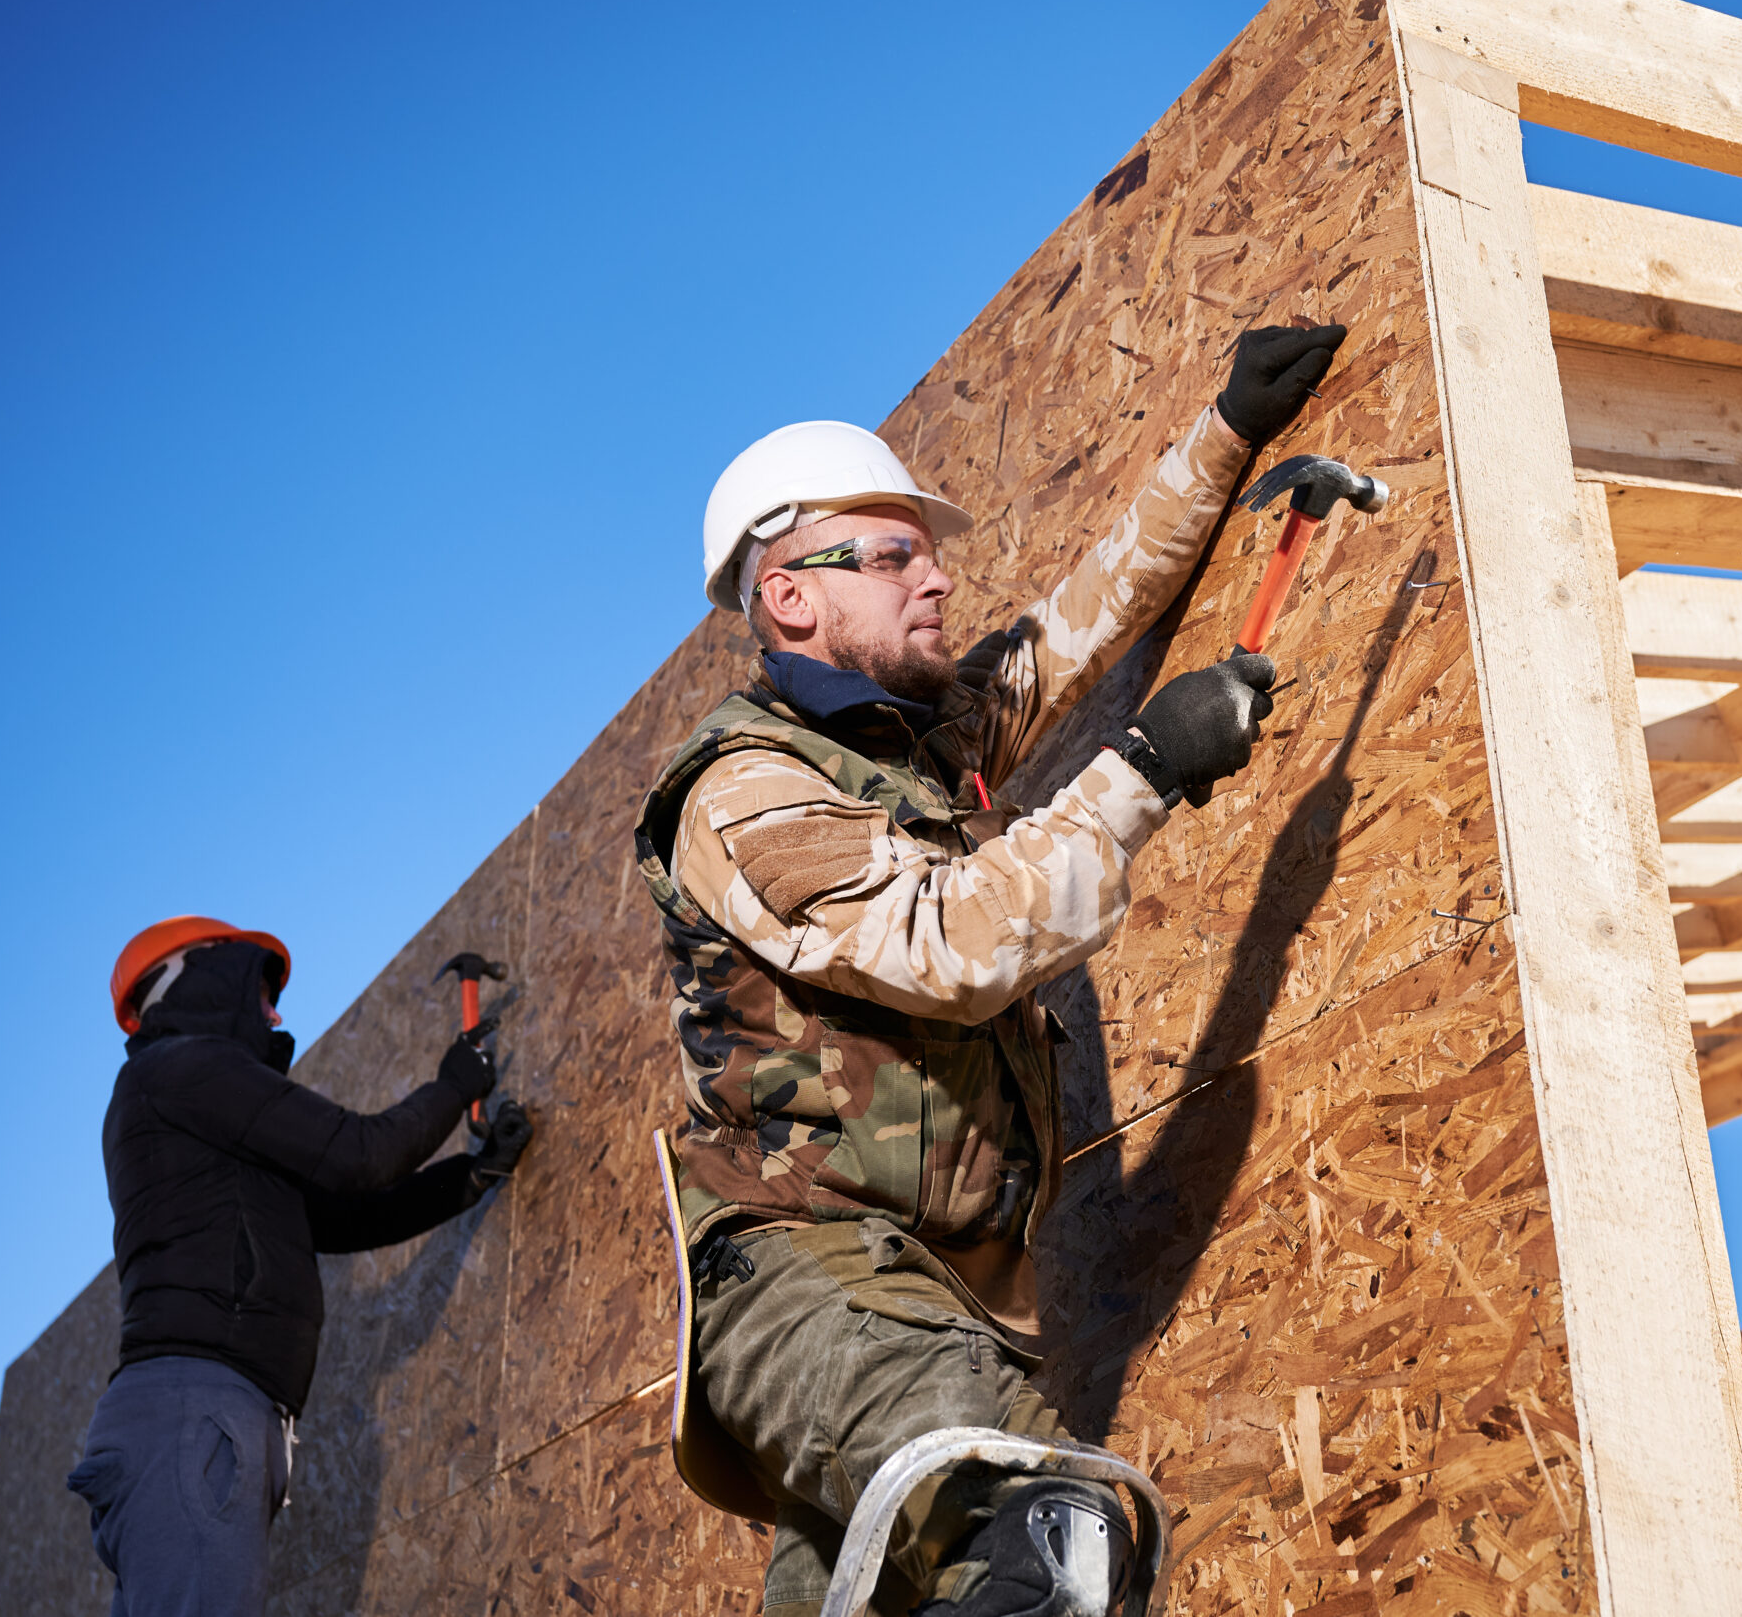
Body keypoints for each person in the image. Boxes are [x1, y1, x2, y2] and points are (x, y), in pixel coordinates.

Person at [634, 322, 1349, 1616]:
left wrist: (1225, 432)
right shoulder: (745, 790)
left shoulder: (919, 744)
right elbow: (953, 942)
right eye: (896, 552)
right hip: (811, 1278)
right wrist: (1143, 767)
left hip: (925, 1300)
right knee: (1050, 1538)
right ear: (790, 592)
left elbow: (1085, 618)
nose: (936, 579)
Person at [66, 915, 536, 1617]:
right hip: (197, 1413)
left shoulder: (183, 1108)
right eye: (261, 991)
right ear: (205, 972)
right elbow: (359, 1153)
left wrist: (470, 1173)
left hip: (195, 1420)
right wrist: (452, 1084)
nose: (275, 1012)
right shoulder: (181, 1067)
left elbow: (342, 1213)